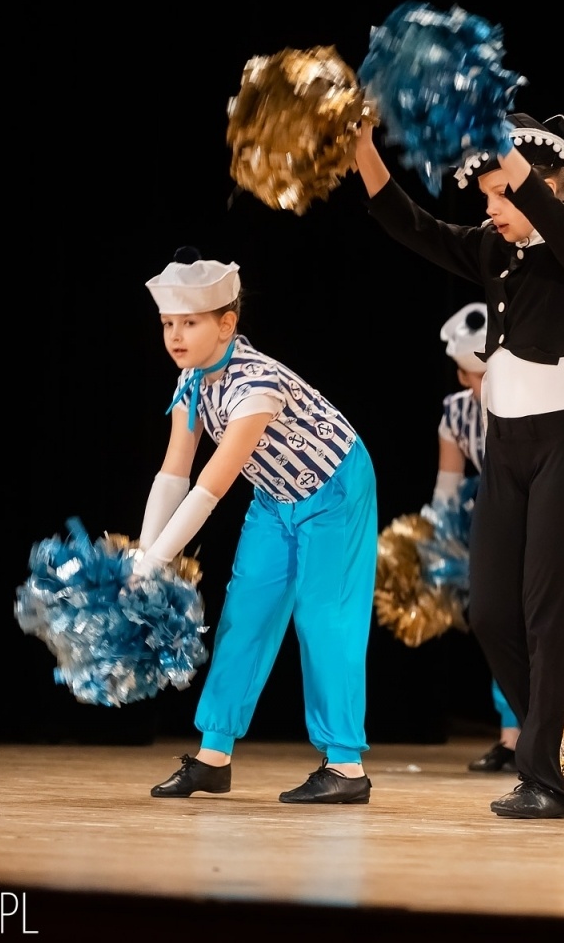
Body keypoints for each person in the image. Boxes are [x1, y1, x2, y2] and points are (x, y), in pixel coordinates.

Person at [354, 111, 564, 819]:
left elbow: (556, 226)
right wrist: (363, 150)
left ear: (546, 185)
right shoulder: (491, 250)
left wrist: (505, 150)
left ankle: (548, 778)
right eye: (485, 198)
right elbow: (410, 224)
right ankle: (553, 747)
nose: (491, 209)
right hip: (504, 451)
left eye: (501, 193)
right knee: (490, 611)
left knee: (548, 616)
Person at [140, 248, 379, 805]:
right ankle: (213, 756)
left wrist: (156, 562)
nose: (175, 336)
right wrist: (143, 556)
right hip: (275, 498)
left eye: (189, 323)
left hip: (335, 489)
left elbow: (211, 487)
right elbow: (174, 471)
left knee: (324, 618)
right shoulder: (190, 382)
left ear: (227, 324)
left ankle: (346, 766)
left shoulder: (256, 385)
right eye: (168, 324)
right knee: (245, 614)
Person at [433, 303, 564, 774]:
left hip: (555, 511)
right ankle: (516, 737)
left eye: (482, 372)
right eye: (470, 374)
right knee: (495, 617)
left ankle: (550, 745)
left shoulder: (536, 393)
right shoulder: (456, 414)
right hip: (499, 513)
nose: (477, 382)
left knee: (549, 627)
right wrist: (437, 546)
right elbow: (447, 490)